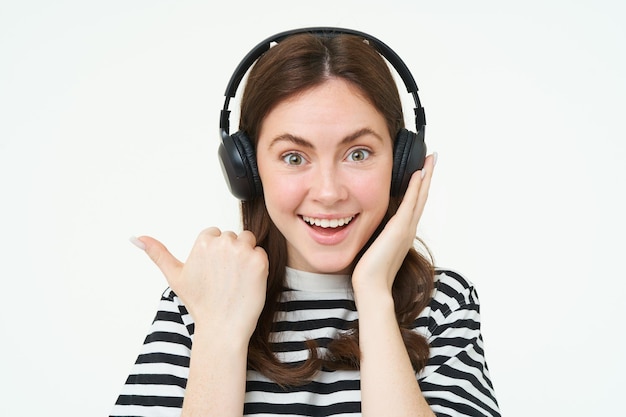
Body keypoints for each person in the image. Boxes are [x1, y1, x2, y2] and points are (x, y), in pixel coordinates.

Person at [111, 27, 500, 417]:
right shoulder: (202, 297)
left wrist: (374, 292)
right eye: (294, 157)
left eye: (359, 154)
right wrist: (218, 337)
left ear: (403, 164)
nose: (328, 193)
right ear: (246, 169)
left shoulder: (441, 304)